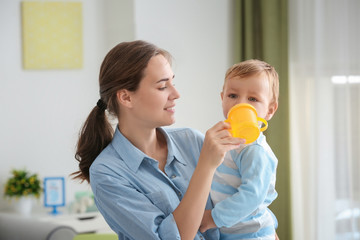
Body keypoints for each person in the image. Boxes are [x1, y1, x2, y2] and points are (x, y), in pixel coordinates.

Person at [72, 40, 244, 240]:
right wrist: (206, 166)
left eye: (173, 82)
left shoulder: (193, 140)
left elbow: (240, 197)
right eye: (163, 86)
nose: (176, 94)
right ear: (126, 98)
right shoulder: (107, 173)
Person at [200, 59, 280, 240]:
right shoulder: (224, 140)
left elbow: (253, 196)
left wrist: (213, 218)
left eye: (253, 99)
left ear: (269, 110)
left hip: (252, 235)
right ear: (222, 99)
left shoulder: (254, 150)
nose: (240, 104)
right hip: (230, 231)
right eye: (233, 96)